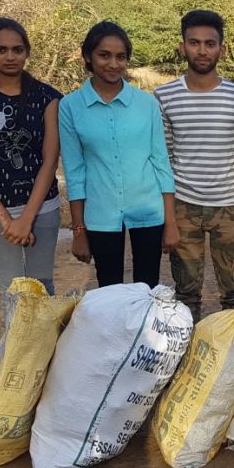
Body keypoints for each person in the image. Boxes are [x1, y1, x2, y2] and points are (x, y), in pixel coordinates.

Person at [58, 21, 177, 288]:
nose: (113, 64)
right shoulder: (70, 106)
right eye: (104, 55)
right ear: (88, 56)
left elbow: (161, 163)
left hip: (148, 209)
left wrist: (170, 222)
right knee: (109, 290)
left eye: (120, 57)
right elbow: (75, 172)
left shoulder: (146, 104)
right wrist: (79, 230)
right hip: (100, 213)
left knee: (147, 289)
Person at [155, 10, 234, 319]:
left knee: (233, 291)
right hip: (184, 205)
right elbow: (164, 160)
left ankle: (232, 354)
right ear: (182, 46)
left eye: (210, 43)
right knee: (186, 292)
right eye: (194, 42)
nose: (202, 50)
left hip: (229, 207)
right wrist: (168, 217)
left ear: (221, 49)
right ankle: (188, 354)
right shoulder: (164, 96)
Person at [0, 17, 62, 303]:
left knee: (43, 288)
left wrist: (26, 218)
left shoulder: (47, 98)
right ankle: (17, 350)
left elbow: (49, 160)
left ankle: (47, 349)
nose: (10, 57)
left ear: (27, 52)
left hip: (41, 209)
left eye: (17, 50)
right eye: (1, 49)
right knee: (12, 290)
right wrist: (6, 220)